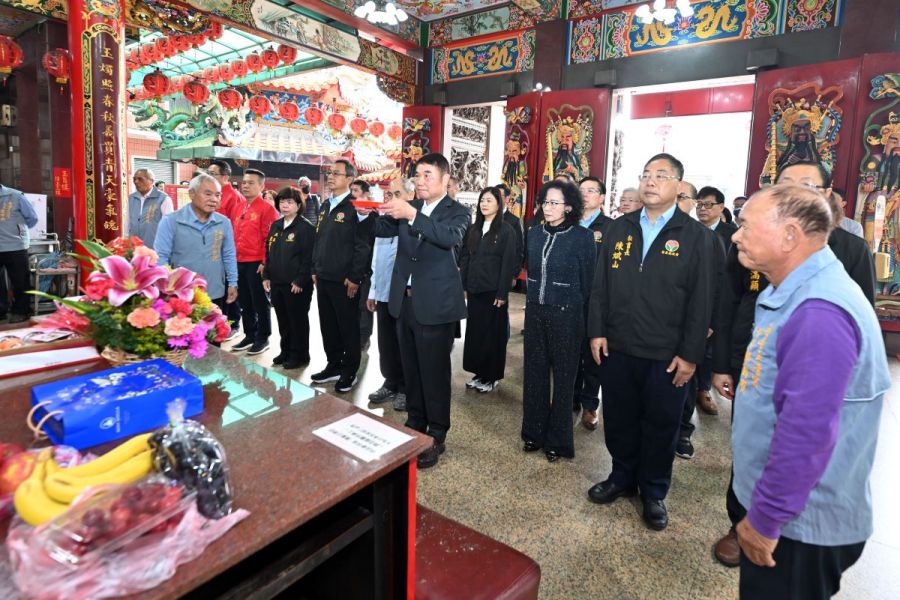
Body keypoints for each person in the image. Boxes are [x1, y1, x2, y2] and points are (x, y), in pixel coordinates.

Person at [709, 160, 877, 568]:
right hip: (781, 508)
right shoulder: (794, 286)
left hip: (798, 526)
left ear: (789, 235)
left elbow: (806, 430)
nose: (736, 236)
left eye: (747, 225)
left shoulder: (819, 311)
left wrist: (764, 521)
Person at [587, 153, 714, 531]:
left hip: (666, 353)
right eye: (645, 175)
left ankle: (654, 490)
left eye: (661, 175)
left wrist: (691, 355)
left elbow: (702, 301)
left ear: (679, 186)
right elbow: (600, 286)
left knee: (661, 424)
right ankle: (621, 476)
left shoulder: (697, 237)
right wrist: (596, 330)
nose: (650, 181)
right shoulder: (619, 228)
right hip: (619, 345)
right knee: (621, 417)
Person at [376, 152, 470, 469]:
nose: (420, 180)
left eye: (428, 174)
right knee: (411, 369)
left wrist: (412, 216)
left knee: (434, 373)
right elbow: (382, 230)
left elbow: (448, 239)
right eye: (417, 174)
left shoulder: (457, 212)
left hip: (436, 305)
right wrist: (378, 211)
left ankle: (437, 434)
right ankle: (415, 423)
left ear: (445, 179)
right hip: (405, 302)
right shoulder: (409, 207)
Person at [521, 180, 595, 462]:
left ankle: (558, 441)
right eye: (545, 202)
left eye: (555, 203)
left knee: (564, 381)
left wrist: (589, 326)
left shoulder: (582, 237)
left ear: (569, 206)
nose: (548, 208)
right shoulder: (534, 234)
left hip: (568, 315)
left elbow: (588, 285)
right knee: (534, 375)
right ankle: (533, 433)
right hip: (536, 313)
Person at [310, 160, 375, 393]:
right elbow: (320, 240)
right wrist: (314, 269)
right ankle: (333, 365)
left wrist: (355, 277)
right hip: (324, 277)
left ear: (349, 178)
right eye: (330, 172)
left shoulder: (356, 207)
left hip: (344, 280)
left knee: (348, 327)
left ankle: (349, 371)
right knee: (328, 325)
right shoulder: (326, 205)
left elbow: (363, 245)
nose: (331, 176)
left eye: (336, 173)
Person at [460, 187, 517, 393]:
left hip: (493, 292)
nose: (484, 204)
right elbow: (466, 257)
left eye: (489, 201)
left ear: (499, 205)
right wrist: (464, 285)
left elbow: (508, 264)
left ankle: (491, 376)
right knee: (476, 333)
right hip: (475, 289)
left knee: (493, 335)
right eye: (482, 200)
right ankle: (478, 372)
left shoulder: (506, 230)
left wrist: (502, 293)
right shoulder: (474, 229)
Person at [154, 174, 237, 315]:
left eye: (218, 195)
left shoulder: (223, 222)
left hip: (214, 290)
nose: (214, 199)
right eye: (208, 194)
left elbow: (228, 254)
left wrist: (233, 282)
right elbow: (161, 257)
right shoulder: (171, 221)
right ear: (191, 193)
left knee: (213, 333)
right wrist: (166, 288)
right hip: (181, 293)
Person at [367, 177, 413, 412]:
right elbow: (377, 258)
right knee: (386, 342)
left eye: (398, 194)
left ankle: (406, 387)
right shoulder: (385, 222)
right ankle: (390, 381)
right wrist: (373, 290)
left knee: (404, 341)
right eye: (389, 194)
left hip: (405, 294)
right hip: (383, 291)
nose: (392, 199)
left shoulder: (414, 223)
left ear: (410, 196)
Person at [573, 176, 613, 430]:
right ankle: (570, 398)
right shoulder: (568, 223)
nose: (585, 194)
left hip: (597, 301)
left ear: (601, 198)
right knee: (570, 353)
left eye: (591, 190)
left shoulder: (611, 227)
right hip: (570, 298)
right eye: (581, 190)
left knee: (593, 355)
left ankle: (590, 405)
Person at [262, 187, 315, 369]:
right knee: (283, 320)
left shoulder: (305, 227)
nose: (285, 205)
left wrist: (300, 280)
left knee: (297, 321)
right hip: (277, 283)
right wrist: (266, 275)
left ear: (298, 205)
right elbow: (268, 252)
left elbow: (309, 257)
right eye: (282, 202)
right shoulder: (276, 225)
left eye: (290, 202)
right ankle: (285, 351)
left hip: (296, 285)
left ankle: (299, 355)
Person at [232, 168, 279, 355]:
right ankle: (250, 334)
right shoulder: (239, 206)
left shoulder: (267, 209)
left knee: (260, 301)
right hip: (239, 259)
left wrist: (265, 262)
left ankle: (263, 337)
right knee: (244, 301)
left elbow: (270, 239)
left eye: (251, 183)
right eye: (244, 182)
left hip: (257, 262)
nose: (246, 185)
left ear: (262, 186)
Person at [206, 160, 243, 340]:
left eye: (213, 174)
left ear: (226, 176)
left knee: (230, 285)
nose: (209, 177)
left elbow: (235, 226)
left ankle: (233, 323)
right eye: (208, 173)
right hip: (212, 249)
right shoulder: (212, 194)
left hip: (225, 249)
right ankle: (219, 322)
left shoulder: (233, 196)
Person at [0, 183, 38, 323]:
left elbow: (32, 218)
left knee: (20, 281)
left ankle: (21, 311)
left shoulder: (16, 196)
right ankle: (1, 311)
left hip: (15, 245)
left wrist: (18, 231)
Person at [351, 179, 375, 352]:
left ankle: (363, 338)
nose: (352, 193)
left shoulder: (375, 218)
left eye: (356, 190)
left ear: (366, 195)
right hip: (347, 271)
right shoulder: (347, 215)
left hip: (366, 272)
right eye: (350, 190)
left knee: (364, 308)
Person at [127, 168, 173, 248]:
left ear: (151, 181)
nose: (136, 182)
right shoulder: (131, 198)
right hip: (133, 249)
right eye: (134, 179)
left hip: (154, 248)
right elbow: (127, 224)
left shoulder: (163, 199)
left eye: (140, 179)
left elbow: (169, 226)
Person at [496, 183, 525, 286]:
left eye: (499, 195)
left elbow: (519, 250)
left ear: (507, 199)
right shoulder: (485, 217)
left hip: (503, 272)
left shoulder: (514, 221)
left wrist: (514, 275)